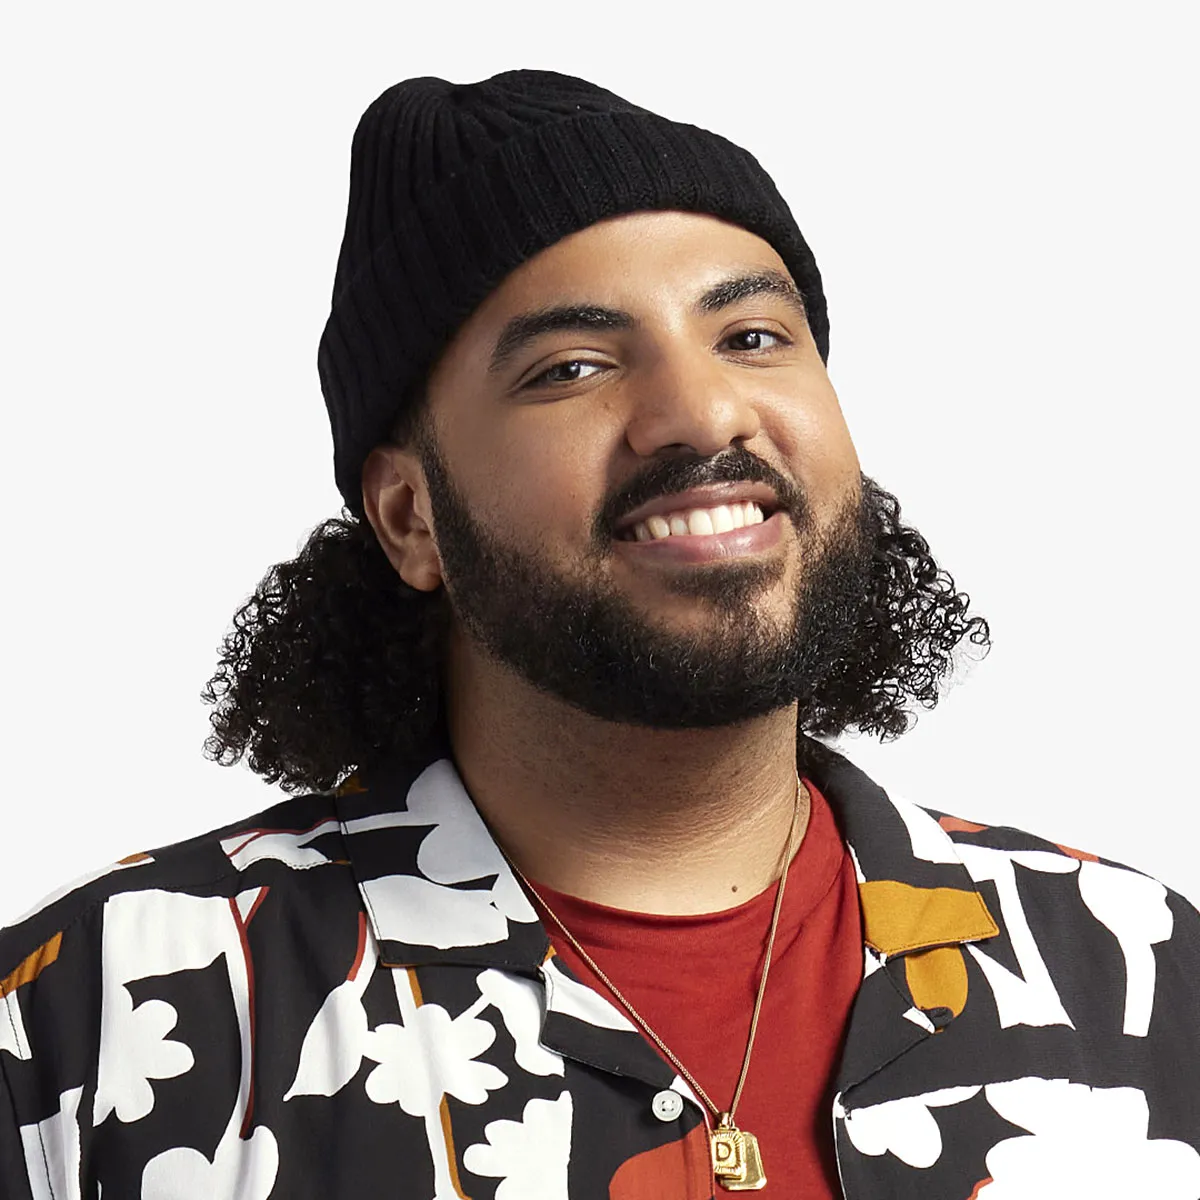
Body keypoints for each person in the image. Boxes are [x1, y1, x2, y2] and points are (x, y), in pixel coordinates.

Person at [2, 69, 1197, 1200]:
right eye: (572, 368)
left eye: (752, 337)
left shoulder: (1136, 971)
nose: (703, 412)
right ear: (411, 516)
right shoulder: (94, 1015)